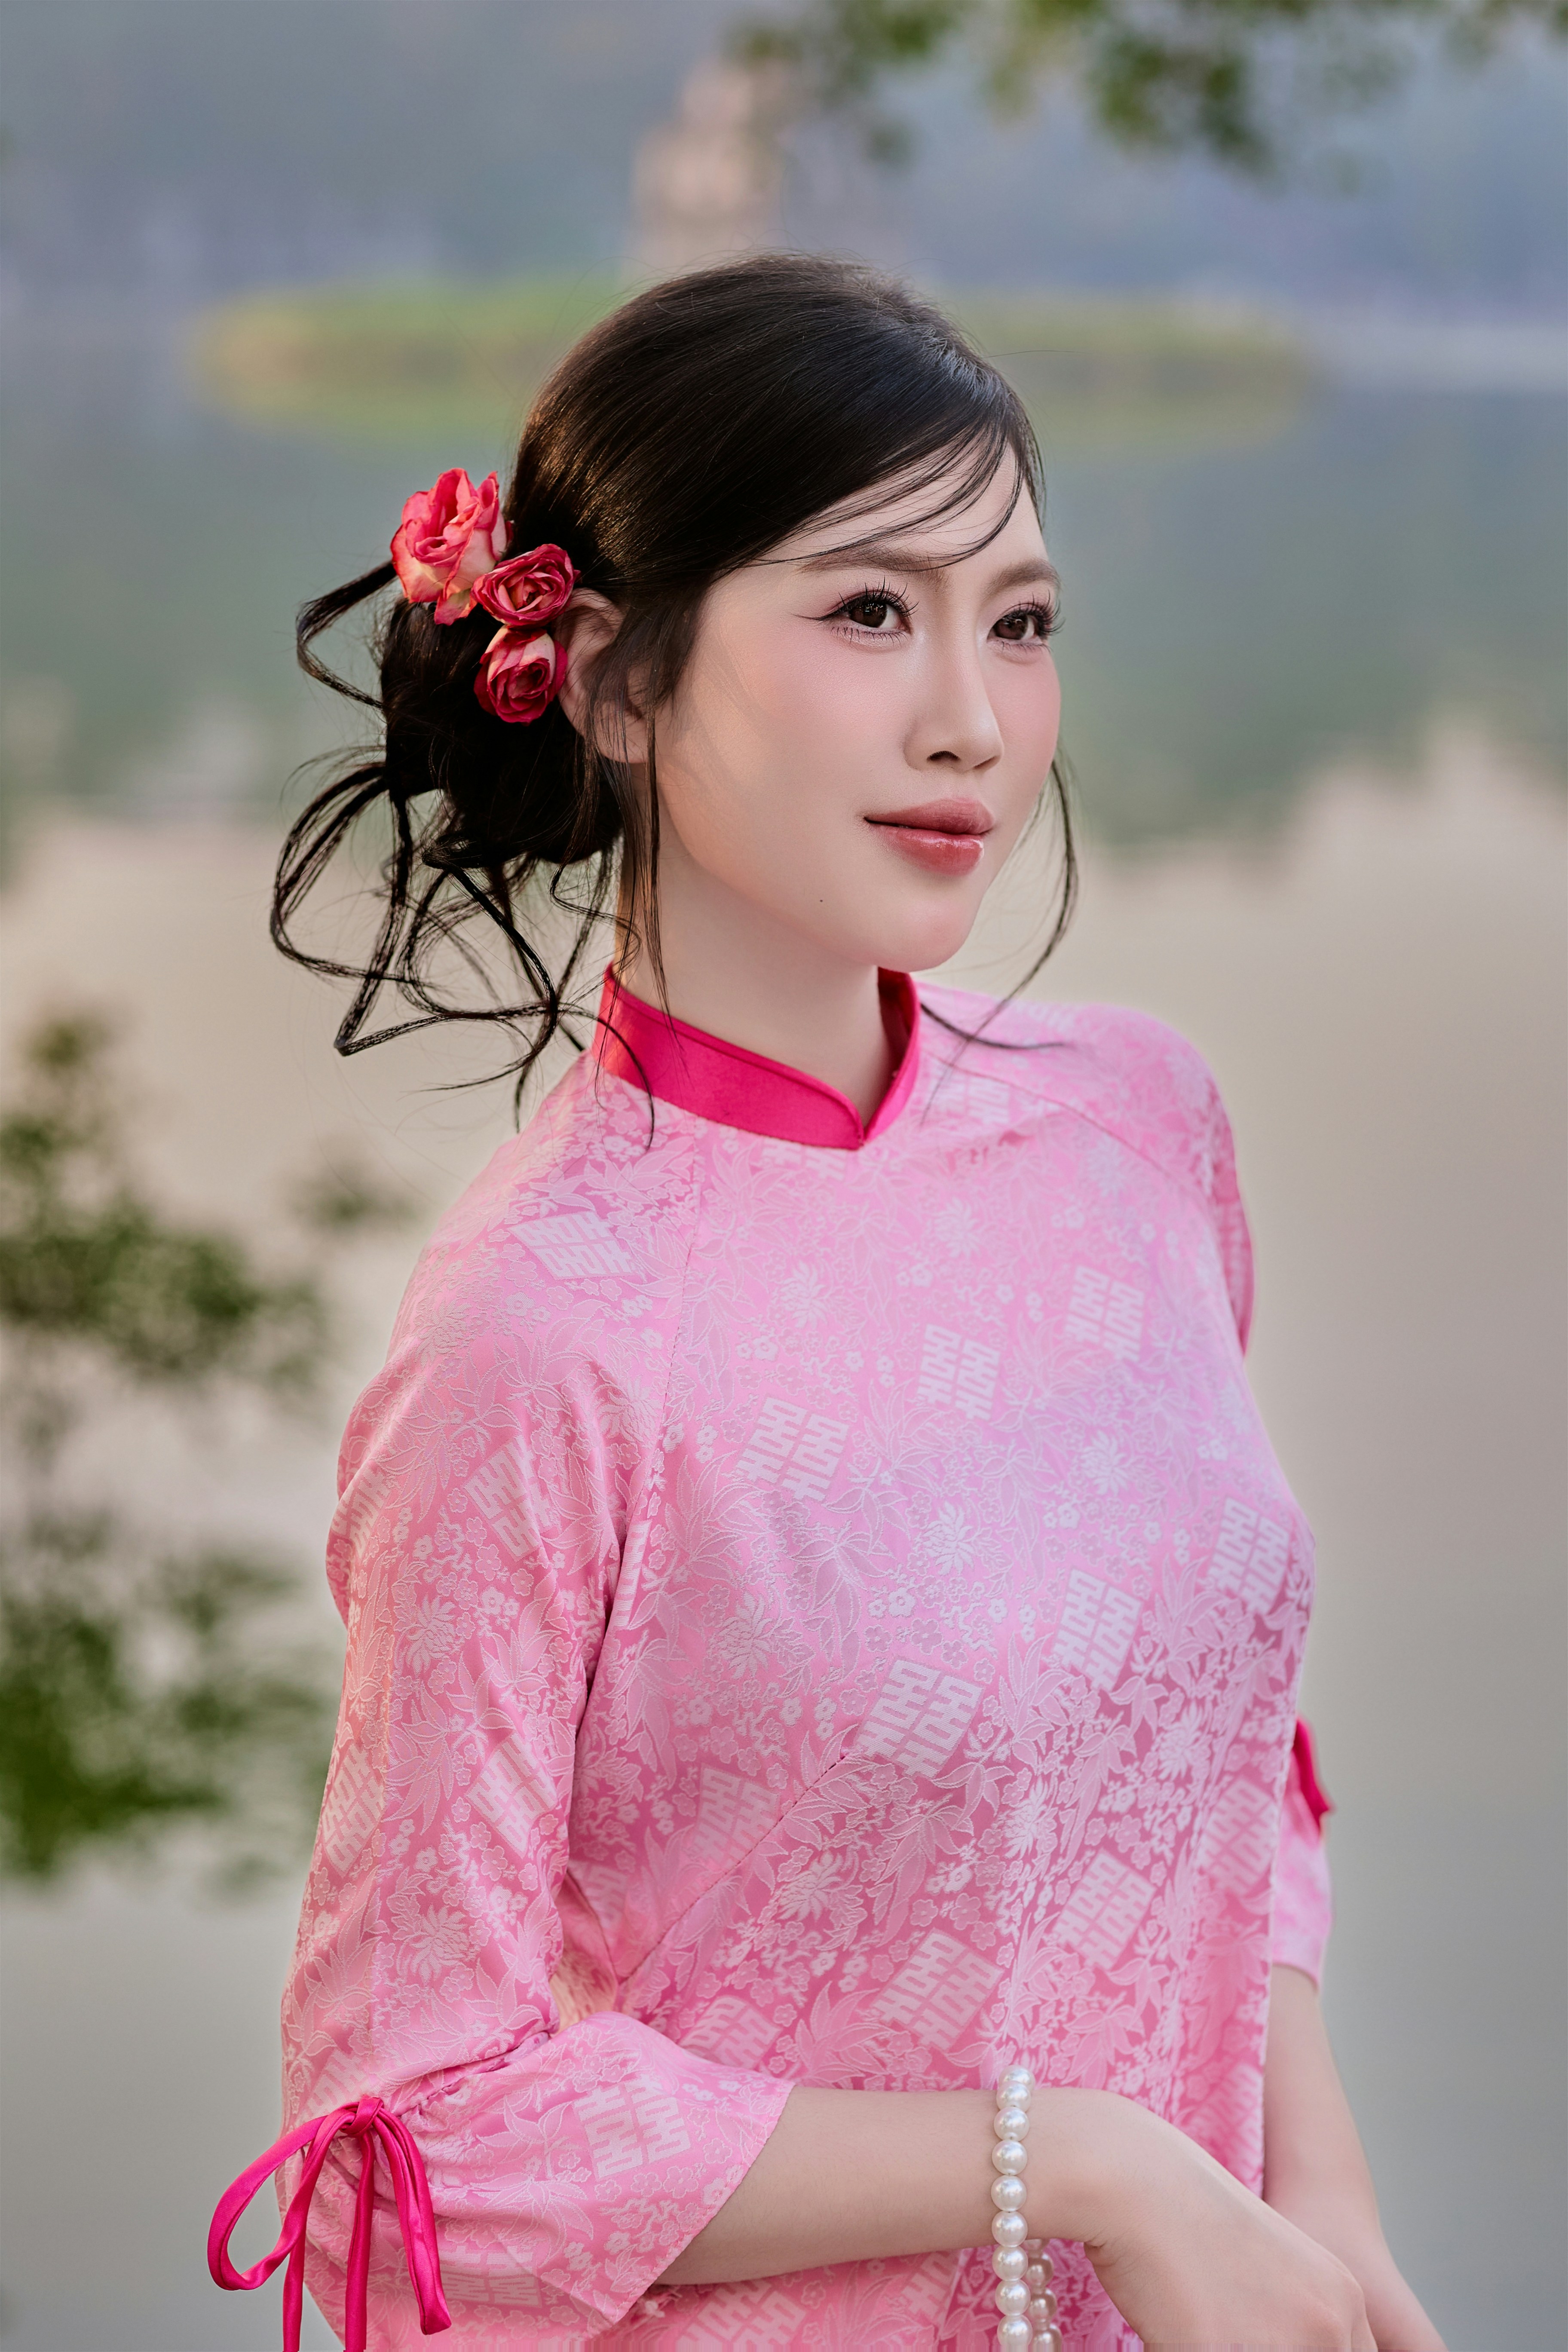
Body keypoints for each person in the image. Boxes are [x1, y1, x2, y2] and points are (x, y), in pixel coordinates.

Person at [209, 257, 1444, 2350]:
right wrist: (1086, 2167)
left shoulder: (1139, 1131)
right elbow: (400, 2153)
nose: (972, 713)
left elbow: (1224, 1757)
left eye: (1021, 621)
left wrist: (1321, 2213)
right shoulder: (541, 1330)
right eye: (871, 610)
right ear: (610, 678)